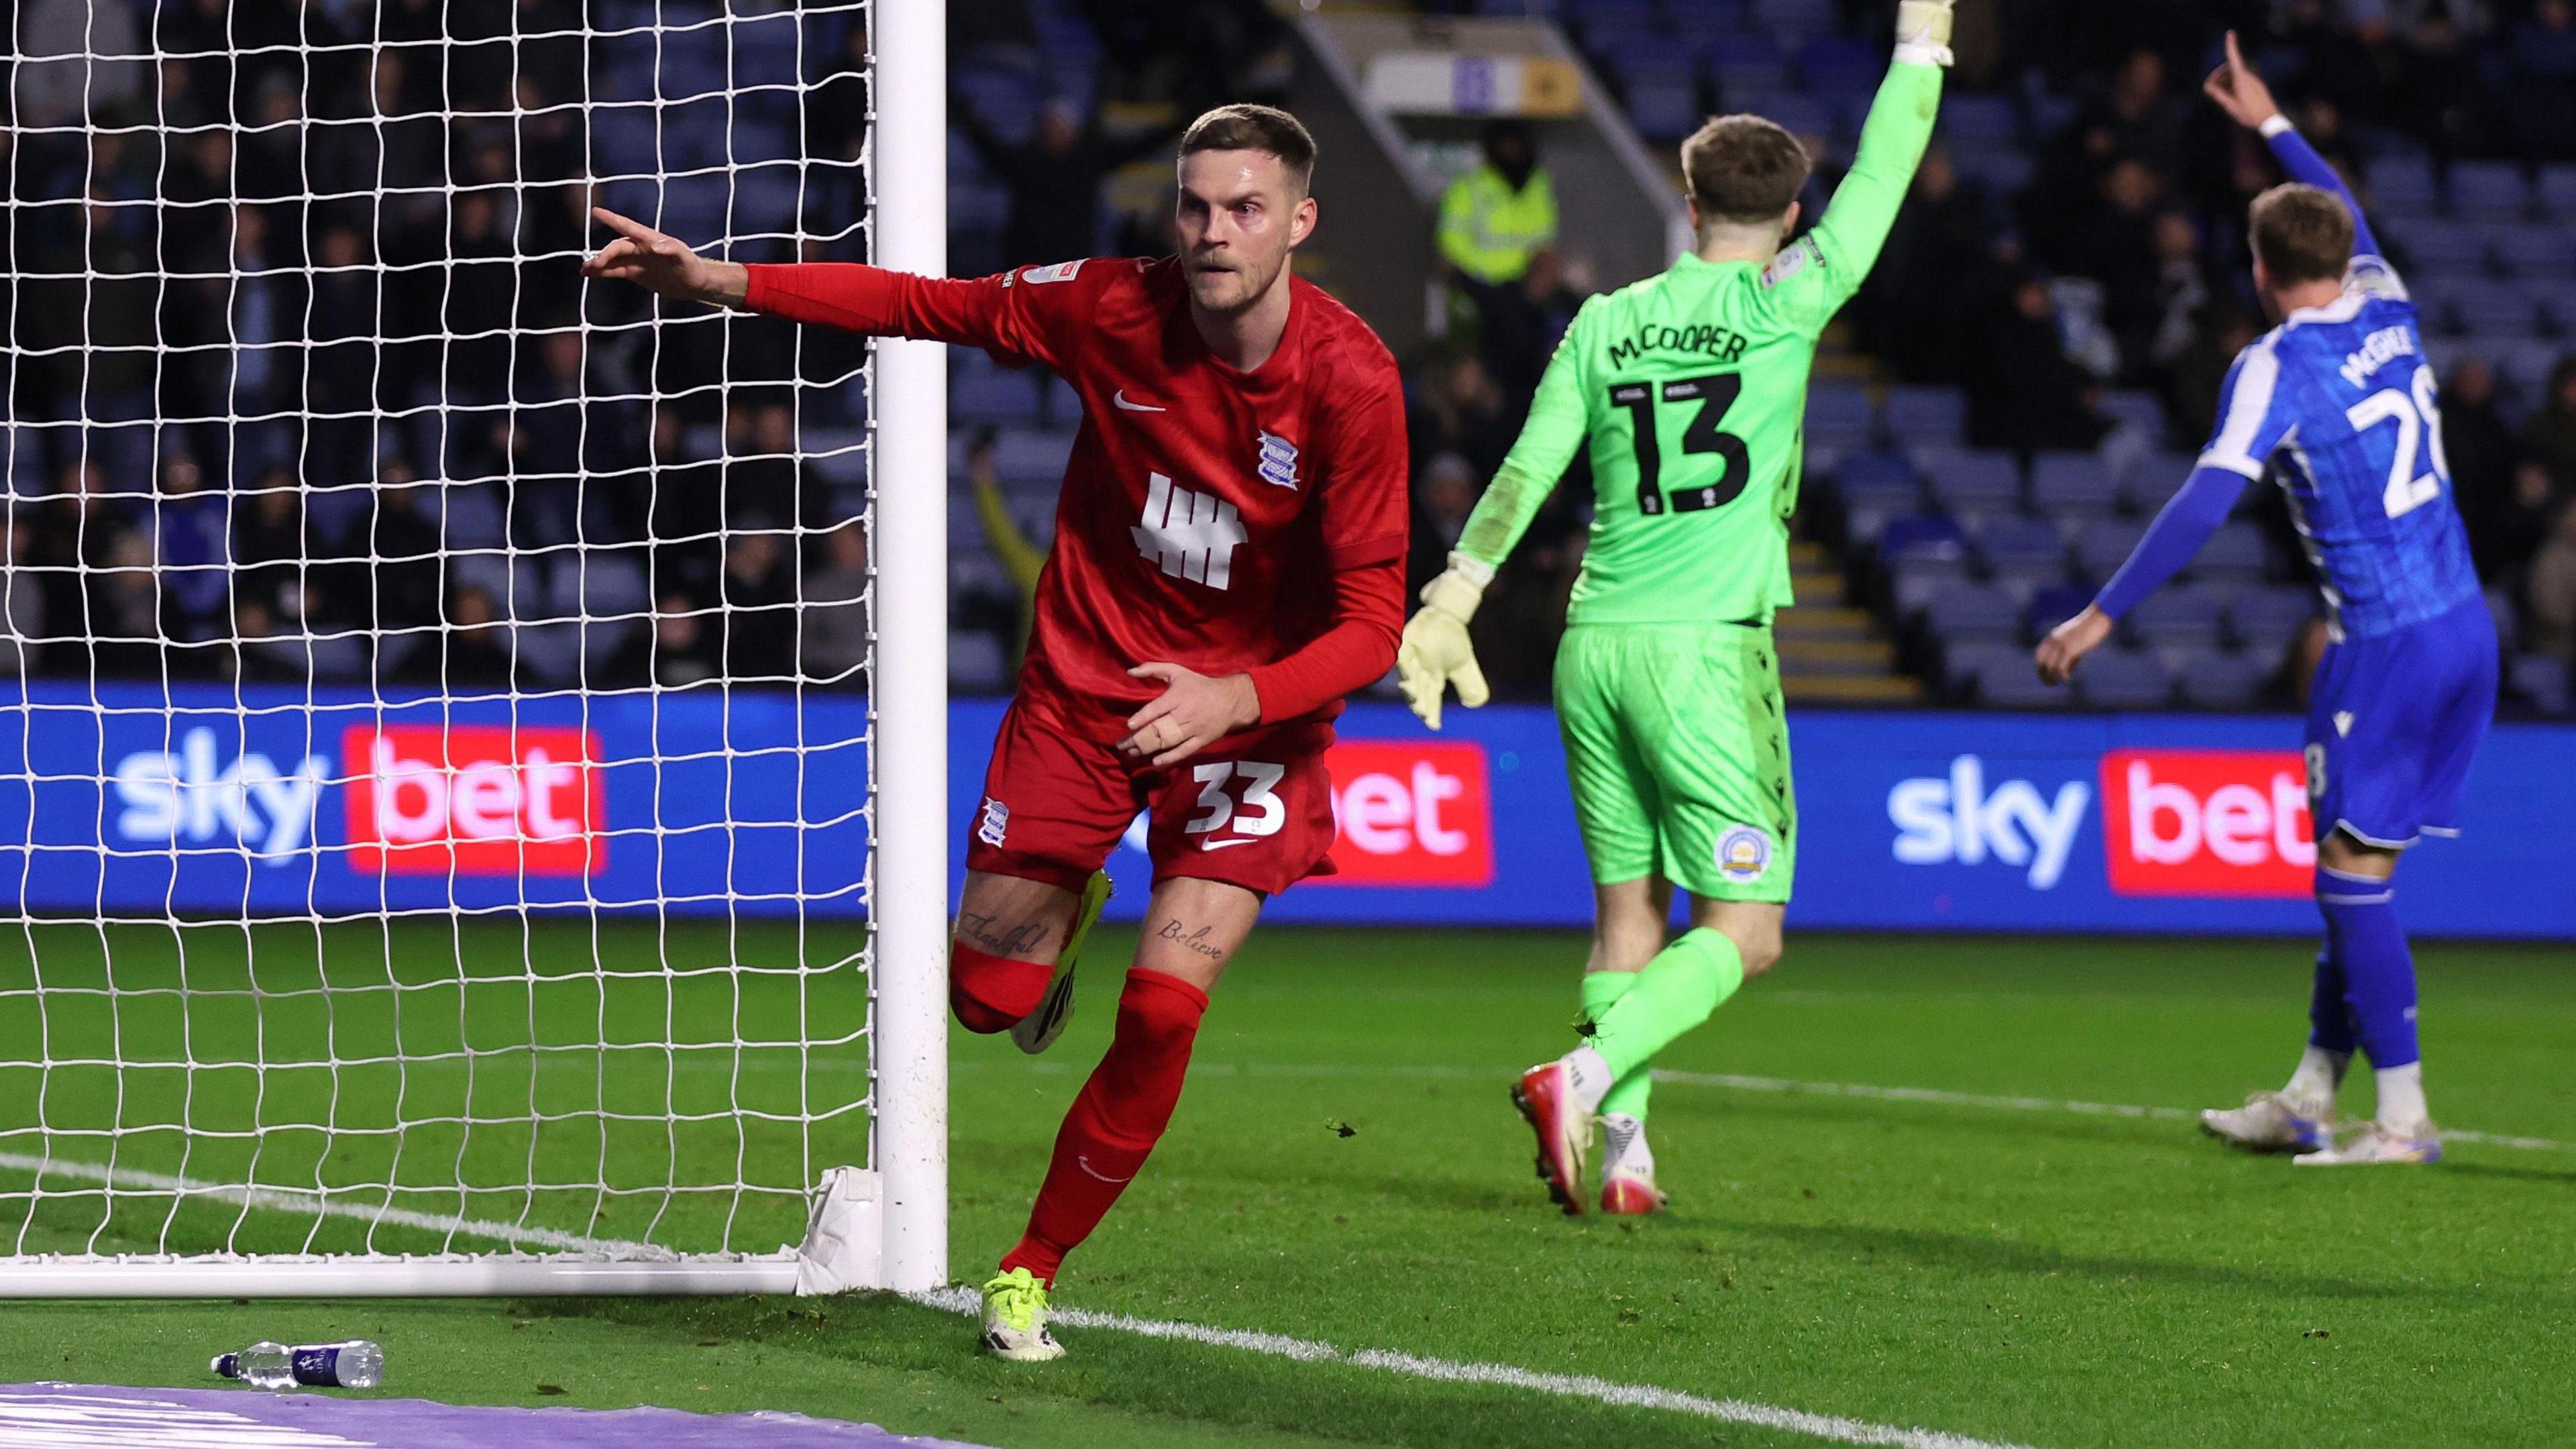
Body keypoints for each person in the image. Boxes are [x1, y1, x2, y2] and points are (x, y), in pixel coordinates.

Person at [583, 103, 1407, 1358]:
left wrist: (1235, 698)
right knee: (982, 1001)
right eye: (1194, 205)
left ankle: (1029, 1269)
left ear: (1300, 221)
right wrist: (716, 279)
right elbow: (927, 304)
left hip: (1248, 726)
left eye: (1245, 209)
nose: (1212, 231)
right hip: (1088, 698)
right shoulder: (1110, 306)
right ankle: (1069, 907)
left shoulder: (1353, 380)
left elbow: (1373, 624)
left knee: (1164, 1009)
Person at [1397, 1, 1955, 1216]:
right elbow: (1886, 172)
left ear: (1688, 202)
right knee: (1748, 931)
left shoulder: (1604, 321)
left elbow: (1526, 469)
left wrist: (1455, 593)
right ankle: (1581, 1077)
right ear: (1792, 217)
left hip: (1594, 647)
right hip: (1704, 657)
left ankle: (1627, 1156)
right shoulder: (1789, 300)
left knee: (1628, 913)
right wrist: (1920, 52)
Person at [2036, 35, 2493, 1167]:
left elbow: (2204, 501)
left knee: (2349, 881)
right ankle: (2310, 1096)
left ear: (2256, 268)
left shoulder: (2274, 367)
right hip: (2465, 627)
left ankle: (2404, 1121)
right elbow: (2343, 212)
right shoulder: (2389, 303)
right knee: (2356, 877)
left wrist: (2100, 614)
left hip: (2384, 646)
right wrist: (2274, 121)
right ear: (2342, 250)